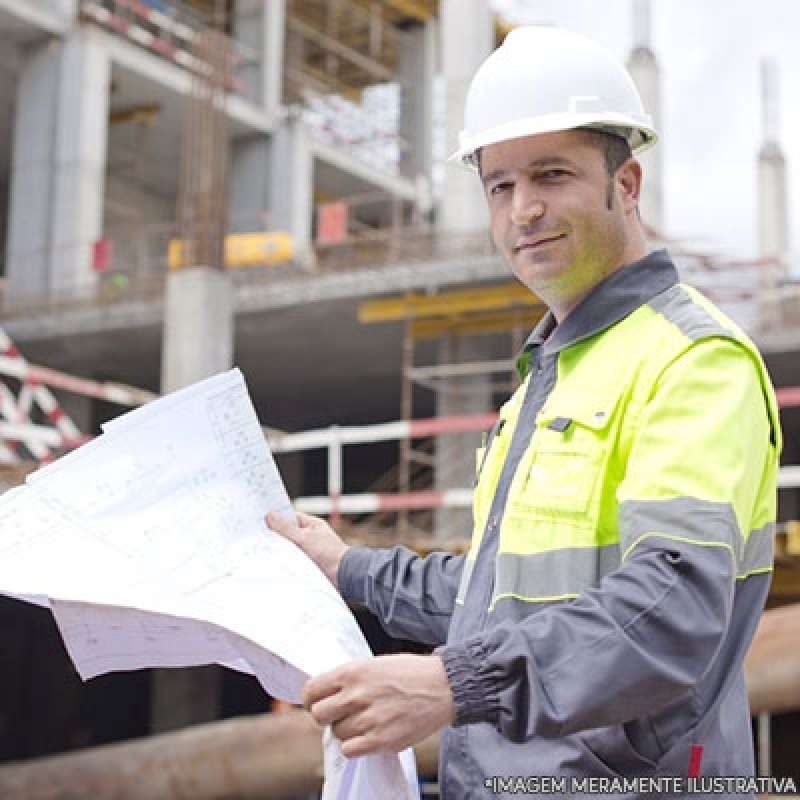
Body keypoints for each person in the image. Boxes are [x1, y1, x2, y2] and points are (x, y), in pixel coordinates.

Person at [266, 26, 782, 799]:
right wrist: (349, 568)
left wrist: (450, 685)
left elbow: (672, 607)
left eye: (552, 175)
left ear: (627, 183)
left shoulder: (693, 360)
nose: (523, 210)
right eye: (500, 185)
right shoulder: (552, 374)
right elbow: (498, 595)